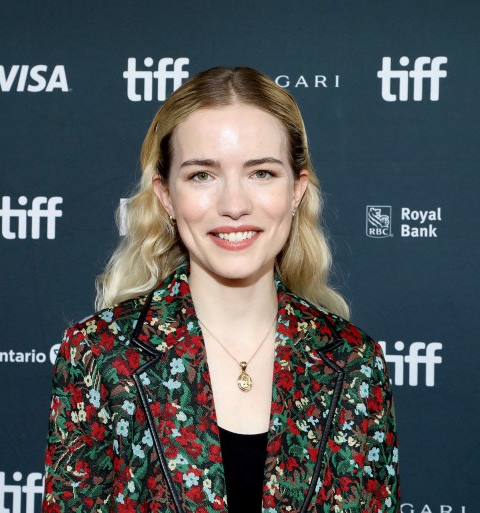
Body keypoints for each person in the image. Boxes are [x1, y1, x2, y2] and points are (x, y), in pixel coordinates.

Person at [42, 67, 399, 513]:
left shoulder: (353, 363)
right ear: (166, 196)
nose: (234, 205)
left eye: (262, 173)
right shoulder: (101, 355)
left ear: (297, 190)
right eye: (202, 176)